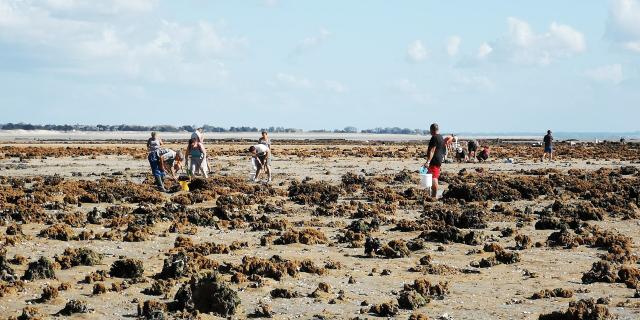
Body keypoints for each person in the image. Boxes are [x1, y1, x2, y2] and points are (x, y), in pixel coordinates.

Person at [422, 123, 445, 198]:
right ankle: (431, 194)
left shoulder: (434, 138)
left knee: (433, 177)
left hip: (434, 160)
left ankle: (434, 195)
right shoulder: (441, 137)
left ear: (431, 130)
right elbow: (444, 149)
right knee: (429, 175)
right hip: (439, 159)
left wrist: (428, 161)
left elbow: (432, 150)